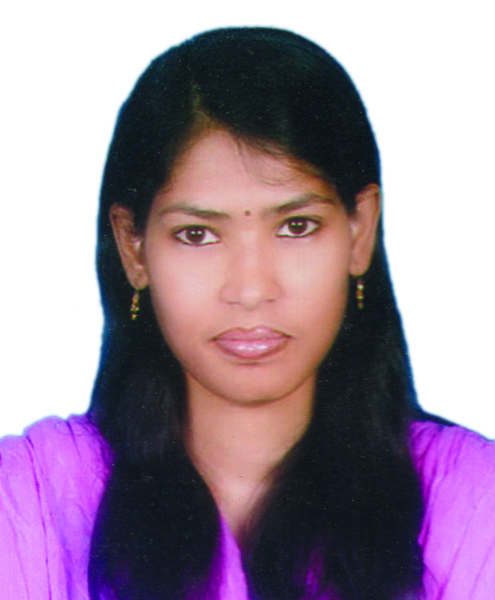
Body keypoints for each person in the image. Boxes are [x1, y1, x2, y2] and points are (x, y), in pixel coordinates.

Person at [0, 26, 494, 600]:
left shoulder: (472, 502)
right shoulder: (29, 499)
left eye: (297, 227)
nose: (252, 289)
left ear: (360, 232)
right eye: (197, 234)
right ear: (134, 249)